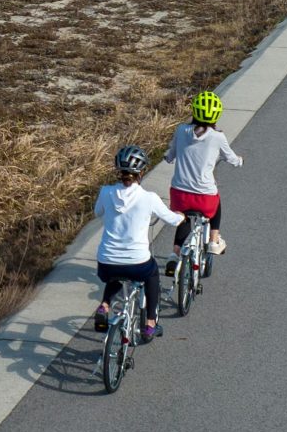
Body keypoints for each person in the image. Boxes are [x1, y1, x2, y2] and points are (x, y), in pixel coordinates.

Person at [95, 143, 182, 341]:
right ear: (141, 172)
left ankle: (105, 305)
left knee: (116, 274)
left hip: (106, 262)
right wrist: (181, 217)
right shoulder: (149, 198)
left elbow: (97, 212)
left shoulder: (105, 192)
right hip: (137, 263)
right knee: (152, 275)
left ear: (118, 171)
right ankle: (150, 324)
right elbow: (172, 219)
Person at [168, 90, 241, 257]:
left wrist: (168, 157)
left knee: (183, 218)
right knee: (217, 201)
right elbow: (231, 158)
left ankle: (176, 253)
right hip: (205, 198)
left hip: (180, 195)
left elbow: (170, 155)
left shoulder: (181, 131)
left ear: (194, 111)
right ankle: (214, 240)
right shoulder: (217, 137)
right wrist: (240, 161)